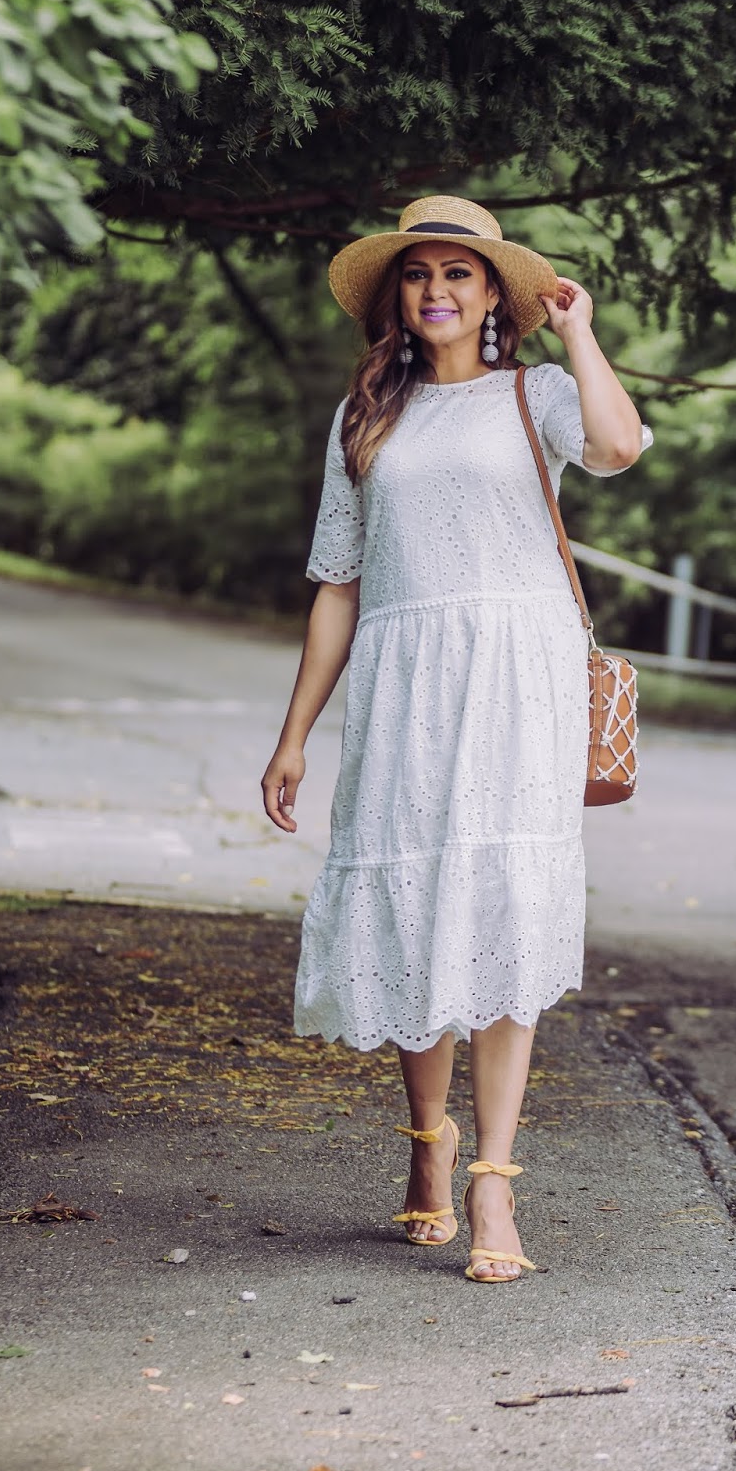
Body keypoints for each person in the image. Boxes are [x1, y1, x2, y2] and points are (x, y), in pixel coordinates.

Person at [261, 196, 651, 1283]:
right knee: (414, 904)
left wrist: (579, 330)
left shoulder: (540, 392)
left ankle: (494, 1180)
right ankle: (427, 1146)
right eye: (418, 272)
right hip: (403, 680)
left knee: (502, 910)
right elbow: (338, 586)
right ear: (397, 294)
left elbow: (619, 446)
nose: (436, 289)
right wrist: (295, 736)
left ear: (492, 299)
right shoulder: (363, 420)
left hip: (520, 676)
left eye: (459, 273)